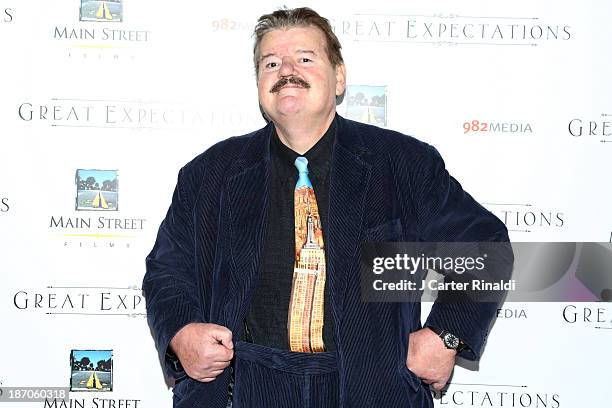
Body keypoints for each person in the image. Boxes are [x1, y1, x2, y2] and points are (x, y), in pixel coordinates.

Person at [143, 7, 512, 408]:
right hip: (244, 388)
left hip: (368, 389)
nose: (287, 69)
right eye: (271, 63)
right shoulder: (209, 173)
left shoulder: (402, 163)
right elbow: (168, 272)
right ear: (259, 84)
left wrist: (445, 335)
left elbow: (485, 247)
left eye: (304, 58)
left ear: (339, 77)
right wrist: (181, 334)